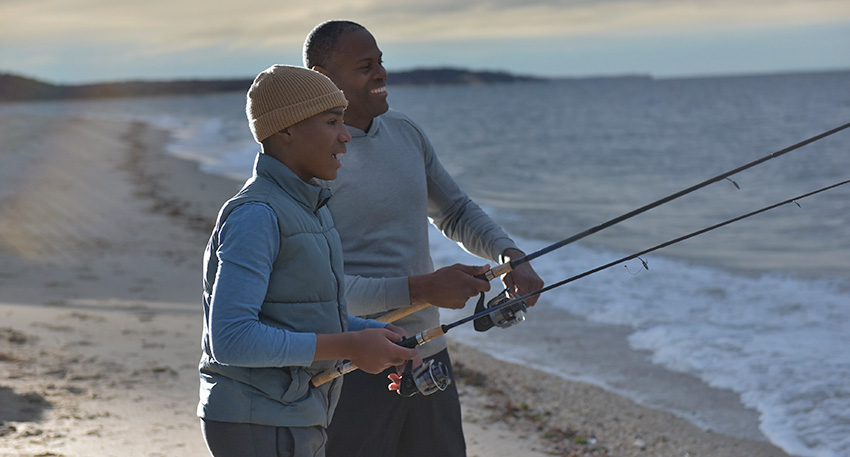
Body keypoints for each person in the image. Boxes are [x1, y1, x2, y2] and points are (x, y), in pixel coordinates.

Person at [303, 20, 545, 457]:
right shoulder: (306, 160)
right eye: (364, 66)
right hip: (353, 362)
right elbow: (318, 291)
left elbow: (454, 210)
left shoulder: (406, 132)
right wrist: (422, 287)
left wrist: (510, 255)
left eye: (381, 62)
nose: (381, 74)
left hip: (429, 351)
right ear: (323, 79)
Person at [197, 64, 419, 457]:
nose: (346, 136)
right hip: (256, 419)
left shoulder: (309, 207)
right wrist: (350, 344)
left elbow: (299, 314)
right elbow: (230, 340)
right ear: (285, 130)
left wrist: (376, 335)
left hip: (292, 414)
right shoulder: (257, 215)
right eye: (333, 122)